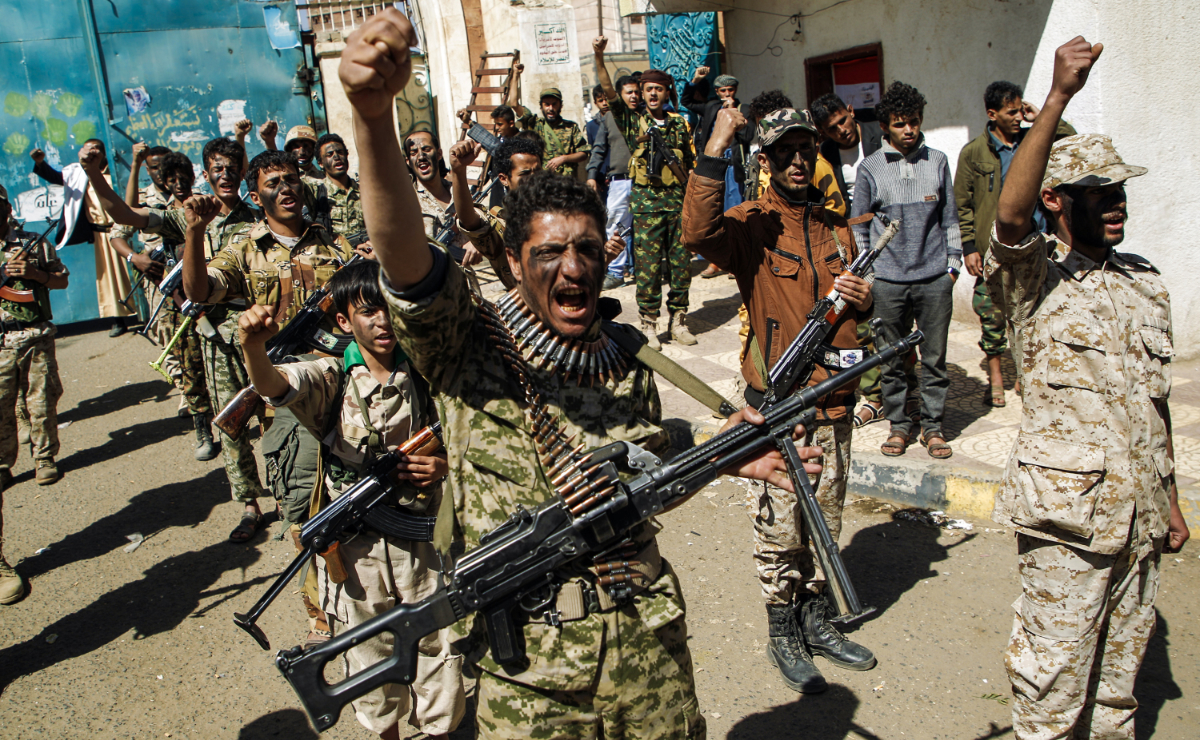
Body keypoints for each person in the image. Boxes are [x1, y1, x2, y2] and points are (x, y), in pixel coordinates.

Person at [337, 13, 821, 735]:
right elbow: (407, 266)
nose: (573, 267)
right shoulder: (467, 346)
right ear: (513, 258)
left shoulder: (627, 358)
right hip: (530, 676)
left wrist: (720, 458)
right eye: (551, 252)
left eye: (589, 250)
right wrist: (373, 122)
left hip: (648, 648)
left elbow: (642, 475)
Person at [986, 37, 1189, 740]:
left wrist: (1171, 500)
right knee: (1051, 685)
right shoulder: (1034, 278)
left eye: (1120, 192)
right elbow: (1009, 220)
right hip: (1068, 521)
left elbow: (1152, 401)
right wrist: (1059, 96)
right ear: (1057, 199)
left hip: (1138, 512)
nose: (1116, 206)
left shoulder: (1144, 281)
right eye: (1098, 194)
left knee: (1115, 693)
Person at [682, 107, 878, 693]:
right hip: (779, 410)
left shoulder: (835, 227)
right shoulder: (751, 226)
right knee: (779, 531)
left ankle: (816, 618)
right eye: (784, 152)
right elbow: (698, 233)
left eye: (805, 150)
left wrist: (864, 300)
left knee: (828, 521)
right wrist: (716, 147)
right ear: (765, 162)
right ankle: (782, 627)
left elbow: (856, 314)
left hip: (834, 404)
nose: (797, 161)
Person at [238, 260, 465, 739]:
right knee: (370, 656)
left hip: (424, 544)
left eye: (389, 310)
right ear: (343, 321)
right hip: (358, 553)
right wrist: (253, 347)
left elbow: (467, 438)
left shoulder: (427, 370)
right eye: (367, 312)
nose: (382, 322)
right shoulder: (328, 378)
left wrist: (442, 463)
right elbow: (276, 385)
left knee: (438, 650)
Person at [81, 138, 270, 541]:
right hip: (216, 337)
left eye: (232, 168)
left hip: (261, 333)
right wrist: (94, 174)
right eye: (216, 168)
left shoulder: (259, 216)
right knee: (231, 425)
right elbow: (125, 214)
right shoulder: (186, 216)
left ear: (242, 172)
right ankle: (249, 505)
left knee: (276, 416)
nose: (224, 175)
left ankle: (291, 497)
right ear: (206, 173)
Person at [851, 81, 962, 460]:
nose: (909, 130)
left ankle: (933, 427)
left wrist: (953, 266)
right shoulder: (870, 168)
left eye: (913, 122)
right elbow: (859, 225)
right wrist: (868, 274)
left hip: (934, 279)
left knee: (934, 358)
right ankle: (899, 425)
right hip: (887, 282)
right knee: (890, 359)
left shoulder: (939, 161)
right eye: (900, 124)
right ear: (886, 127)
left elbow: (950, 217)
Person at [956, 81, 1075, 407]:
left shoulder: (1031, 142)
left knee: (1031, 314)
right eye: (1012, 112)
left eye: (1021, 110)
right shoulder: (973, 153)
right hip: (993, 248)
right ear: (992, 114)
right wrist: (969, 247)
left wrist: (1043, 119)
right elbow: (963, 205)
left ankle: (1026, 374)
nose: (1018, 118)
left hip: (1035, 247)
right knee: (991, 315)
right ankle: (996, 375)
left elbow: (1070, 143)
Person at [105, 151, 218, 461]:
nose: (179, 184)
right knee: (188, 362)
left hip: (212, 292)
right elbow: (122, 222)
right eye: (172, 180)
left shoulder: (207, 204)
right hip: (174, 297)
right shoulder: (161, 211)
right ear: (165, 183)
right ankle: (202, 426)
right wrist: (135, 258)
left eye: (184, 178)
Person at [809, 93, 912, 428]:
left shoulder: (882, 138)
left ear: (851, 112)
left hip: (896, 238)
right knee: (865, 320)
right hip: (855, 243)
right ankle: (876, 396)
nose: (842, 131)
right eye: (833, 129)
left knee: (901, 317)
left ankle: (907, 388)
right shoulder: (824, 156)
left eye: (843, 121)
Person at [595, 38, 697, 349]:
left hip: (677, 204)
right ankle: (649, 324)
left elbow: (690, 165)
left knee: (681, 267)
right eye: (648, 89)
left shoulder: (679, 125)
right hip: (647, 206)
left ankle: (678, 320)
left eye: (658, 89)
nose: (653, 94)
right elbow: (610, 90)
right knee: (649, 269)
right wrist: (599, 56)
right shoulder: (631, 120)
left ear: (667, 93)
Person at [0, 182, 70, 604]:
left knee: (42, 401)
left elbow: (60, 282)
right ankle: (5, 462)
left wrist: (33, 274)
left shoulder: (31, 243)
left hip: (35, 334)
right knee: (3, 415)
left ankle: (44, 457)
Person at [30, 140, 134, 337]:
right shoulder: (78, 173)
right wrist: (41, 164)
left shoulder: (116, 171)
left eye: (96, 148)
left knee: (134, 271)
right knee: (109, 279)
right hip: (103, 236)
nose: (93, 151)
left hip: (126, 230)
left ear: (104, 153)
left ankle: (144, 311)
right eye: (88, 148)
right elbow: (56, 177)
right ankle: (118, 319)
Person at [449, 137, 543, 290]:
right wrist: (458, 172)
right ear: (504, 179)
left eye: (537, 171)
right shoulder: (501, 223)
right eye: (525, 174)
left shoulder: (559, 211)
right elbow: (469, 220)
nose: (534, 180)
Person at [587, 65, 643, 292]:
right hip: (620, 182)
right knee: (617, 227)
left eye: (635, 92)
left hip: (645, 182)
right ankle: (617, 271)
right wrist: (592, 175)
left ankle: (645, 269)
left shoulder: (646, 116)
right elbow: (598, 148)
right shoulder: (609, 118)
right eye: (628, 92)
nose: (633, 96)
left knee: (644, 227)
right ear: (619, 95)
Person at [404, 130, 473, 264]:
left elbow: (480, 229)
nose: (421, 156)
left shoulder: (458, 192)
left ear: (439, 154)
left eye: (426, 149)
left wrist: (475, 244)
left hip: (468, 280)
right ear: (408, 161)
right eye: (414, 153)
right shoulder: (406, 202)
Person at [513, 86, 590, 179]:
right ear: (541, 106)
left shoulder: (571, 127)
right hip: (543, 182)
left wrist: (563, 158)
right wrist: (515, 73)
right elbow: (514, 104)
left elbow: (584, 153)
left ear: (560, 106)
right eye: (547, 104)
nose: (551, 108)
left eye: (554, 104)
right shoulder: (535, 124)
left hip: (566, 183)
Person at [304, 133, 364, 240]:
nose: (336, 157)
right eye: (329, 154)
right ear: (320, 163)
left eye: (340, 152)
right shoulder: (316, 192)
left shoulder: (363, 191)